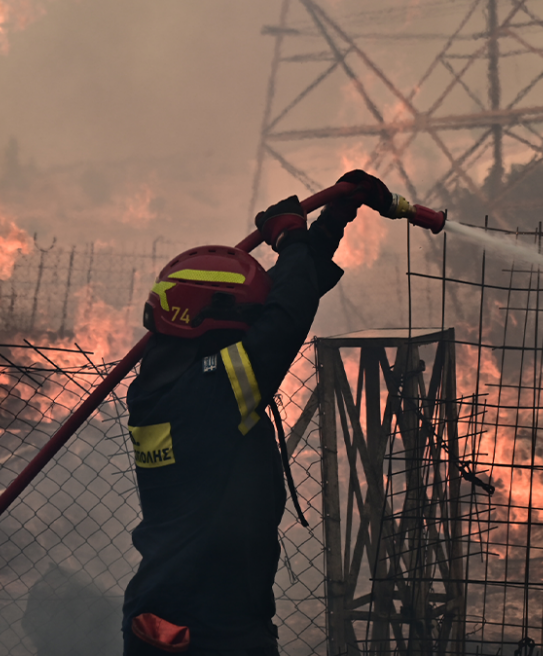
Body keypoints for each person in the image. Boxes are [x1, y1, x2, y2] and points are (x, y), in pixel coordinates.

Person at [122, 171, 392, 655]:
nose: (253, 328)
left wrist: (330, 223)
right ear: (214, 323)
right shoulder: (206, 393)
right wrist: (291, 241)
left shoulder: (170, 376)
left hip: (184, 615)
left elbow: (284, 302)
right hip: (200, 630)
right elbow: (283, 322)